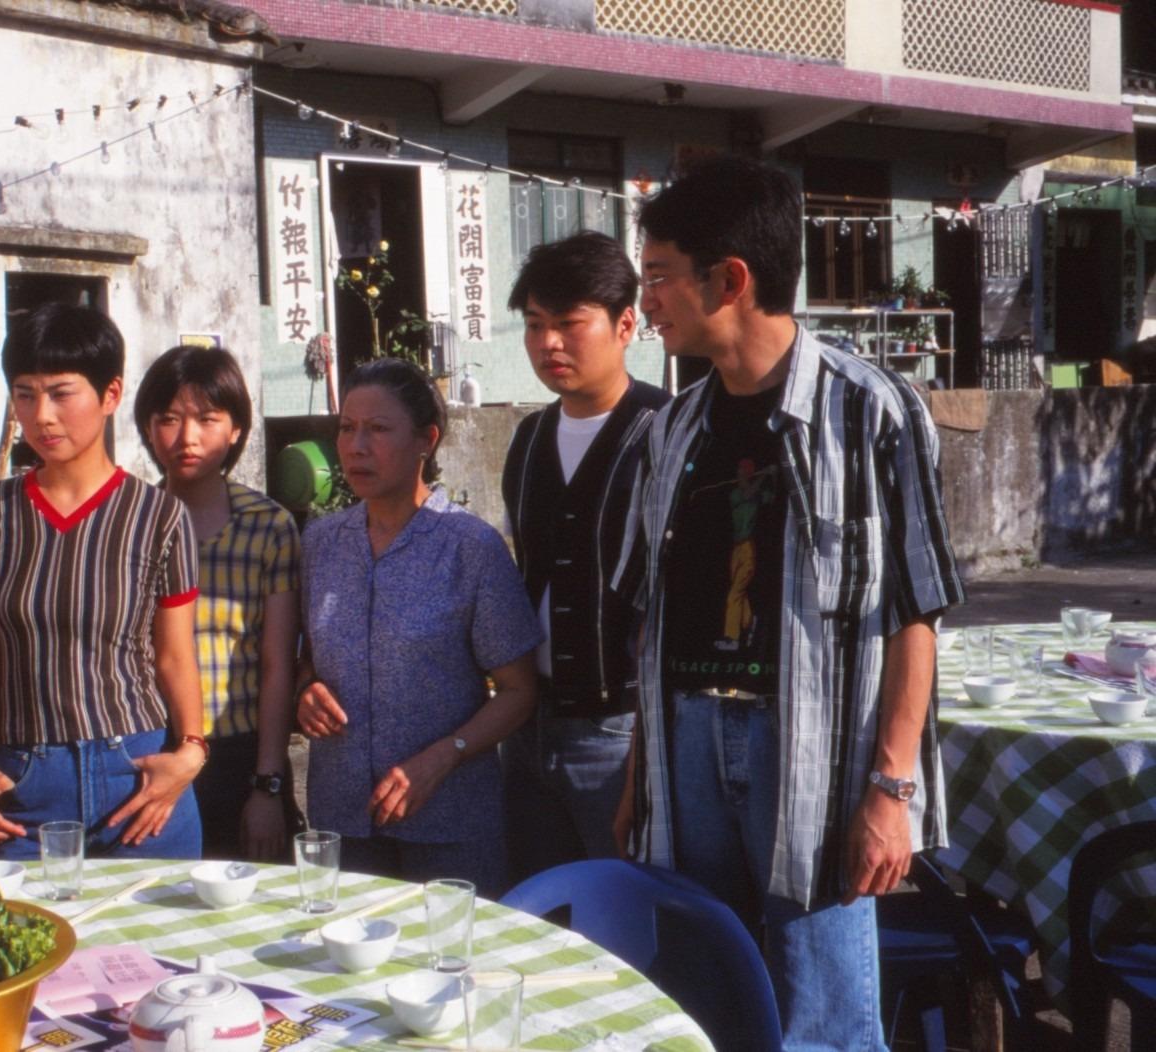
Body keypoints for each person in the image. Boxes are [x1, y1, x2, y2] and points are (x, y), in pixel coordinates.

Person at [611, 155, 964, 1049]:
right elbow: (652, 616)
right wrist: (641, 777)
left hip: (815, 755)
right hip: (688, 744)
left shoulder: (872, 411)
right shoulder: (669, 431)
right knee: (702, 1002)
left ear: (729, 280)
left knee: (823, 1021)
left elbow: (915, 613)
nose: (646, 302)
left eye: (659, 276)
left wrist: (892, 791)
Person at [0, 305, 205, 862]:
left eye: (61, 393)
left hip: (139, 777)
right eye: (25, 394)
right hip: (23, 784)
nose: (41, 416)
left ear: (111, 394)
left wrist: (190, 751)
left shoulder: (159, 515)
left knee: (155, 921)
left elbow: (174, 656)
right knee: (25, 922)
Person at [296, 358, 540, 896]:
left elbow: (519, 691)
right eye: (347, 429)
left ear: (426, 441)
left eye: (378, 429)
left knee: (450, 947)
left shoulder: (469, 548)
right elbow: (306, 656)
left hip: (450, 824)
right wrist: (305, 690)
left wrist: (442, 758)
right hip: (344, 820)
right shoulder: (321, 544)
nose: (357, 446)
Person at [500, 231, 670, 883]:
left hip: (620, 731)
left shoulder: (668, 430)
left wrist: (645, 759)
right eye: (534, 324)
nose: (549, 343)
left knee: (627, 910)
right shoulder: (529, 438)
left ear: (625, 325)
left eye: (570, 324)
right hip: (529, 726)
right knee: (543, 908)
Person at [133, 345, 303, 861]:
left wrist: (267, 785)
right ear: (147, 427)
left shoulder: (268, 526)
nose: (187, 438)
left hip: (240, 753)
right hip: (149, 749)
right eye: (169, 419)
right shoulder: (128, 523)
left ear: (235, 429)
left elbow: (277, 665)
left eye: (207, 419)